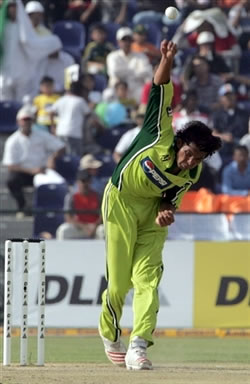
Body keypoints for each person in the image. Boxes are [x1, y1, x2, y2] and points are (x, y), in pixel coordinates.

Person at [99, 40, 222, 370]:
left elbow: (171, 199)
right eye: (188, 153)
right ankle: (110, 335)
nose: (189, 162)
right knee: (118, 284)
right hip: (121, 203)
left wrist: (167, 211)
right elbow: (161, 88)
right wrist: (167, 59)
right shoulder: (158, 133)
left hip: (152, 217)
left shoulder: (191, 173)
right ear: (180, 142)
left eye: (197, 159)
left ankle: (138, 346)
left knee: (148, 281)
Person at [2, 106, 65, 213]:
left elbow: (61, 147)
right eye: (24, 120)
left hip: (42, 171)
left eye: (28, 120)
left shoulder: (42, 135)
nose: (26, 123)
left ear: (32, 121)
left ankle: (51, 210)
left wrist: (52, 157)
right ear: (18, 122)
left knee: (59, 182)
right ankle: (22, 206)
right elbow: (10, 165)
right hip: (24, 173)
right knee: (11, 181)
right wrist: (31, 170)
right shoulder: (12, 140)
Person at [56, 169, 102, 239]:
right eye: (83, 181)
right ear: (77, 182)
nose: (85, 184)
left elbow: (102, 215)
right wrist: (84, 226)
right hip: (78, 227)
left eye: (88, 181)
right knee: (63, 230)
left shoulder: (97, 196)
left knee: (102, 230)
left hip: (94, 227)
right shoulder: (71, 196)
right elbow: (68, 217)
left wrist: (94, 226)